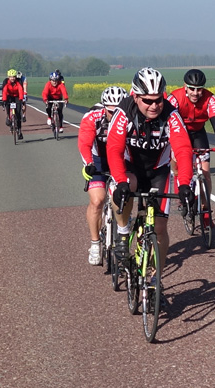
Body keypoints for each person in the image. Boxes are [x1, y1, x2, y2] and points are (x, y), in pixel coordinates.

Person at [106, 67, 194, 276]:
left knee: (160, 229)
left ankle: (156, 280)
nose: (154, 106)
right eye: (147, 101)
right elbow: (114, 149)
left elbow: (183, 150)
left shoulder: (171, 114)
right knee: (128, 185)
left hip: (158, 172)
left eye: (158, 100)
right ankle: (123, 232)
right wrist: (120, 181)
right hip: (130, 168)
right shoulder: (124, 112)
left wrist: (184, 184)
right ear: (135, 96)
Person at [167, 69, 215, 223]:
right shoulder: (174, 98)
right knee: (178, 167)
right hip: (179, 133)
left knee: (206, 173)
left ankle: (206, 209)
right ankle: (181, 198)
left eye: (199, 89)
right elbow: (166, 122)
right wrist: (171, 145)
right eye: (192, 89)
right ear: (185, 87)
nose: (195, 93)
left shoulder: (210, 99)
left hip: (198, 134)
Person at [78, 86, 128, 266]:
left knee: (122, 196)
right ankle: (95, 243)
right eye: (110, 111)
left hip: (120, 157)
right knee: (97, 200)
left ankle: (123, 224)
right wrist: (88, 163)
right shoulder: (93, 117)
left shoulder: (129, 117)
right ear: (104, 107)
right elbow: (84, 143)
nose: (114, 115)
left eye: (117, 111)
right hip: (98, 159)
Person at [2, 69, 24, 140]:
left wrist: (21, 100)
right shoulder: (5, 82)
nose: (12, 78)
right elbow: (4, 91)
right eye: (11, 77)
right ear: (8, 77)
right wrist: (4, 101)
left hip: (17, 96)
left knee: (18, 114)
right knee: (7, 106)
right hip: (9, 96)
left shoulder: (19, 81)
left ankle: (19, 131)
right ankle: (8, 117)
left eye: (14, 77)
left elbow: (21, 90)